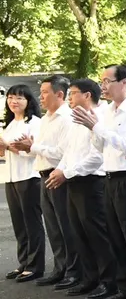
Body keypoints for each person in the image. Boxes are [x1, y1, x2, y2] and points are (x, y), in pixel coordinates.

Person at [72, 65, 126, 299]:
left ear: (124, 82)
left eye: (107, 81)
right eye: (102, 81)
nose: (103, 86)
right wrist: (93, 128)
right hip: (109, 177)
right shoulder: (107, 111)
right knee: (116, 236)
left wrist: (97, 127)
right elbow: (100, 147)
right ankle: (125, 286)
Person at [18, 76, 78, 287]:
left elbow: (63, 152)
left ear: (59, 94)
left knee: (66, 226)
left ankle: (74, 271)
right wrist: (30, 147)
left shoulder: (67, 118)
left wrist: (32, 147)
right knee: (53, 227)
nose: (40, 96)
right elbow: (41, 149)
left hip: (59, 175)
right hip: (43, 175)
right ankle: (60, 268)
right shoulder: (46, 119)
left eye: (44, 92)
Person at [56, 79, 112, 298]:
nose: (70, 98)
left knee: (97, 234)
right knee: (79, 232)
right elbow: (69, 151)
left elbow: (97, 157)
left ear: (87, 95)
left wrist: (67, 172)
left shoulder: (100, 117)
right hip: (73, 181)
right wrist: (61, 169)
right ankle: (90, 278)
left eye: (73, 93)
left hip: (92, 182)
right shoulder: (75, 120)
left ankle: (108, 281)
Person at [1, 85, 45, 282]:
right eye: (10, 98)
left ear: (28, 101)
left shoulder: (34, 123)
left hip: (29, 177)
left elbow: (34, 152)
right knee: (19, 223)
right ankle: (24, 262)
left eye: (19, 98)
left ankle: (35, 265)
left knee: (31, 222)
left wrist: (9, 147)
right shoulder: (9, 125)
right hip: (11, 177)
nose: (14, 101)